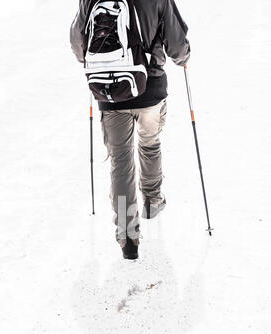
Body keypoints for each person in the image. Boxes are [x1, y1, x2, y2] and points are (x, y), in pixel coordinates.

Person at [70, 0, 190, 260]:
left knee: (121, 163)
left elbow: (77, 43)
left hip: (110, 92)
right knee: (150, 143)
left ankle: (127, 234)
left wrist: (97, 62)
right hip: (151, 87)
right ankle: (153, 200)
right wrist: (184, 58)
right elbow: (177, 44)